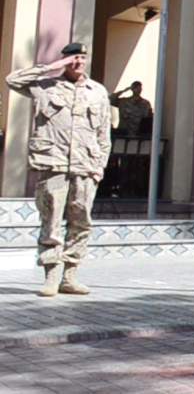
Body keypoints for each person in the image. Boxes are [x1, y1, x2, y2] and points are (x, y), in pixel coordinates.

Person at [6, 43, 111, 298]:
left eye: (82, 58)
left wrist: (100, 167)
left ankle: (70, 276)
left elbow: (104, 133)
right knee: (51, 221)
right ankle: (51, 275)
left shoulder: (97, 92)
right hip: (53, 163)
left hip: (85, 166)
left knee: (81, 222)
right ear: (64, 61)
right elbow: (12, 80)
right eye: (73, 58)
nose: (78, 63)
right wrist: (51, 68)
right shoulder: (44, 86)